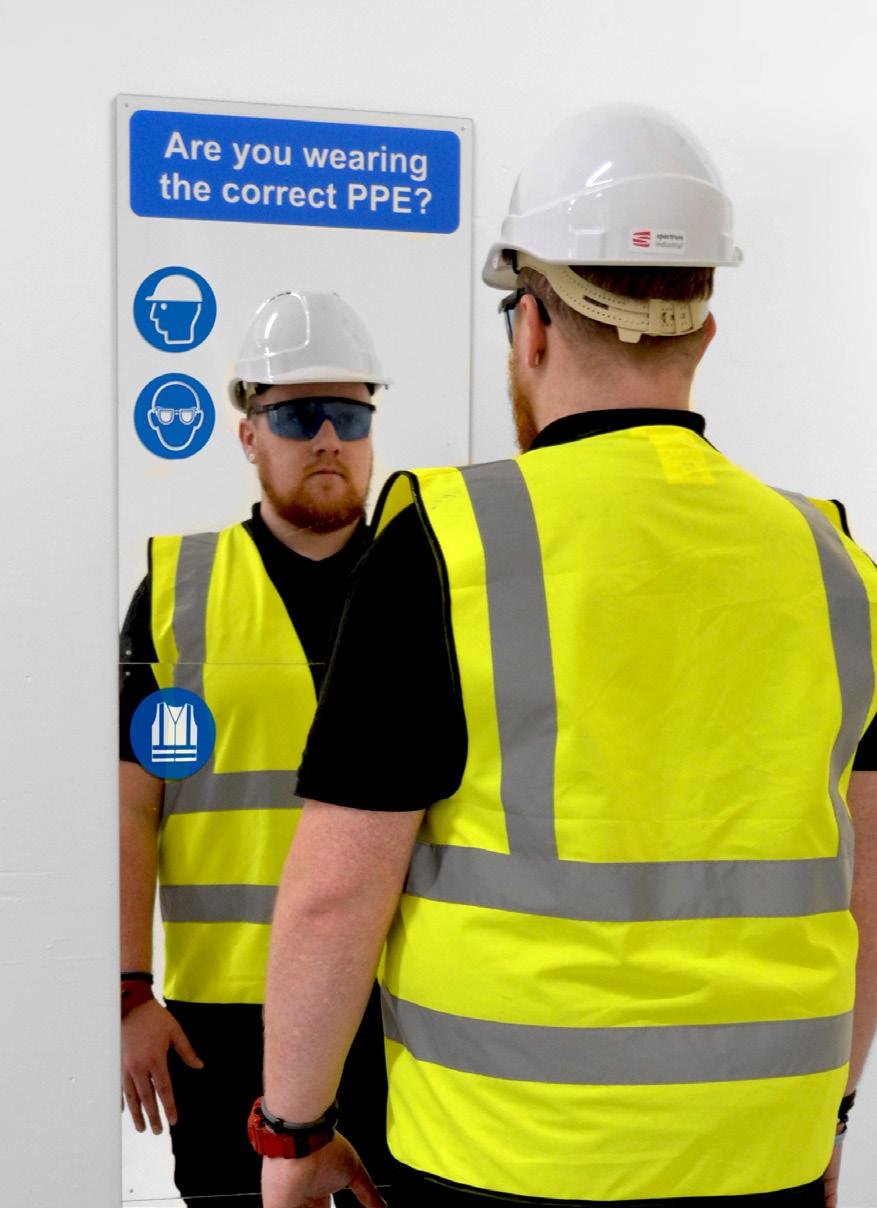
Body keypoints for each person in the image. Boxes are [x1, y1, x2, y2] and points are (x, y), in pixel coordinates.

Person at [256, 107, 877, 1208]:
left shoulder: (447, 543)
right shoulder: (833, 563)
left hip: (504, 1153)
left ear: (531, 327)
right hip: (761, 1152)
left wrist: (293, 1133)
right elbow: (866, 884)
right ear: (703, 330)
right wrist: (823, 1117)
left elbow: (333, 896)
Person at [120, 289, 402, 1208]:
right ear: (248, 434)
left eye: (348, 415)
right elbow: (130, 806)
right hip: (226, 1018)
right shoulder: (179, 591)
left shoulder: (432, 583)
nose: (326, 437)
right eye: (295, 414)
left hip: (403, 1003)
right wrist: (128, 992)